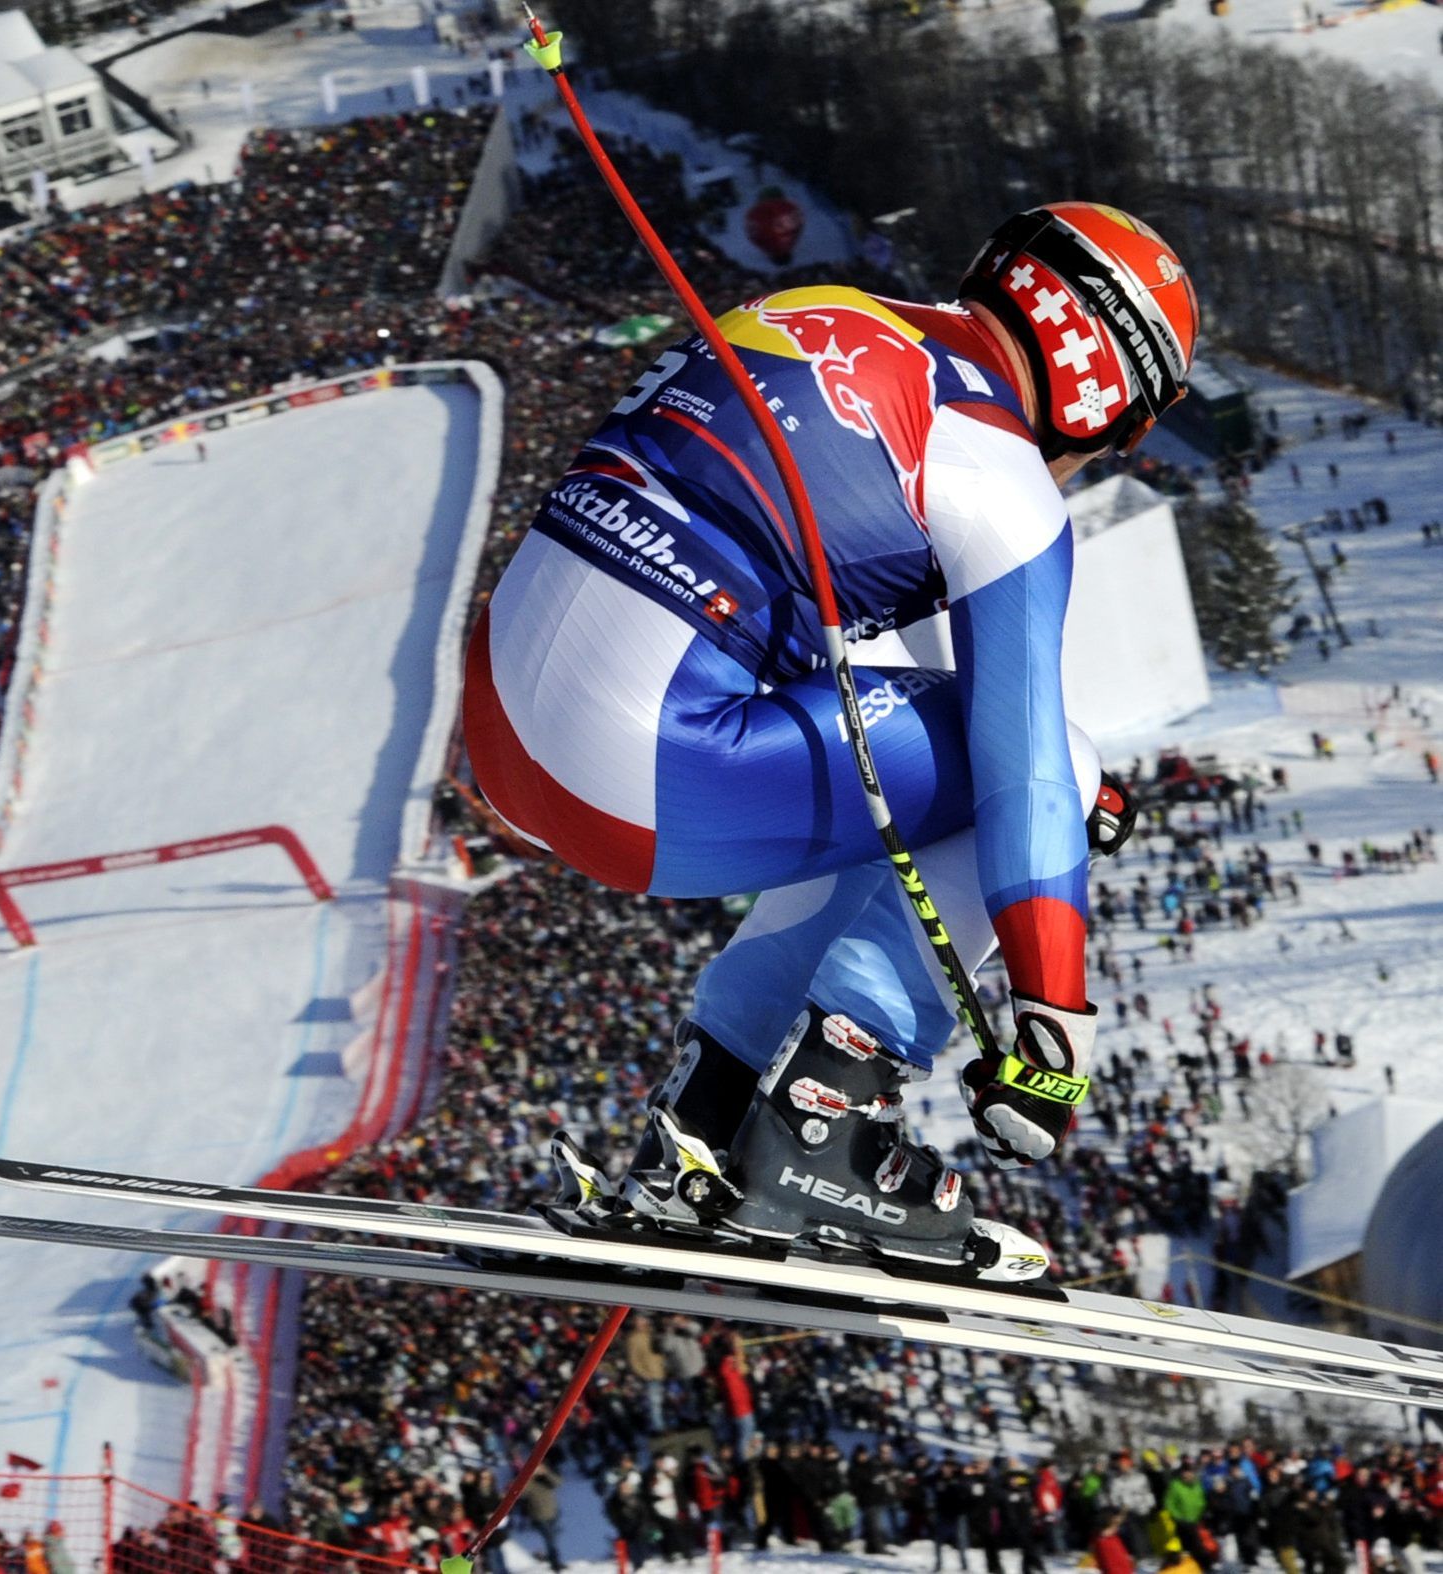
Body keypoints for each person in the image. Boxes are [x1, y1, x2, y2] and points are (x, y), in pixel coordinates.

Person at [464, 202, 1196, 1276]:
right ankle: (824, 1124)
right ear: (1103, 388)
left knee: (921, 787)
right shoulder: (996, 472)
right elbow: (1023, 761)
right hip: (636, 774)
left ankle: (709, 1114)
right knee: (1061, 765)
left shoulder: (820, 305)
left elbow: (853, 647)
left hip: (500, 731)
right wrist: (1050, 1019)